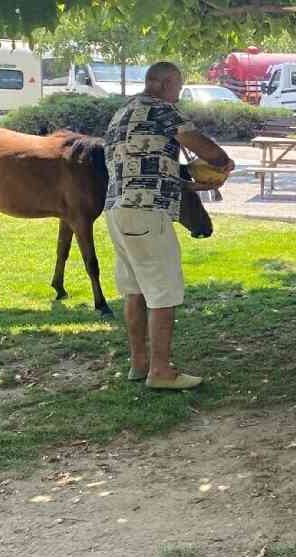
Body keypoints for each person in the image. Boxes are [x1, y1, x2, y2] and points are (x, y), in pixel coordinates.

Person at [103, 62, 233, 390]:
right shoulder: (160, 109)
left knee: (134, 290)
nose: (178, 94)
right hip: (147, 213)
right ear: (162, 84)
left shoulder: (122, 114)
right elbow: (201, 144)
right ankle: (161, 372)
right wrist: (222, 162)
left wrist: (188, 186)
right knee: (163, 291)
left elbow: (144, 168)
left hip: (118, 211)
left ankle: (139, 364)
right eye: (177, 86)